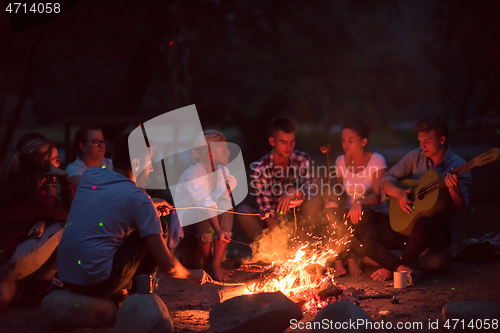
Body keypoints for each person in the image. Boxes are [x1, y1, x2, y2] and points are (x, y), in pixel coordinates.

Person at [57, 134, 210, 299]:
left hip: (67, 276)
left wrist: (150, 204)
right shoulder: (139, 199)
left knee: (145, 225)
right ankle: (141, 294)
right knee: (160, 228)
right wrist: (192, 274)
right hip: (96, 283)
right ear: (136, 164)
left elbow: (113, 201)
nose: (152, 168)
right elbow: (169, 267)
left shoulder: (91, 175)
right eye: (150, 162)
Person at [355, 117, 472, 282]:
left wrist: (454, 188)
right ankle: (399, 267)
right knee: (362, 221)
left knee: (426, 223)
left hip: (435, 230)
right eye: (420, 141)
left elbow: (460, 208)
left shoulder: (458, 165)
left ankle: (393, 267)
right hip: (407, 225)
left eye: (427, 141)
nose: (422, 146)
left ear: (442, 139)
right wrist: (398, 193)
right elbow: (386, 179)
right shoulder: (415, 157)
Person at [0, 138, 75, 307]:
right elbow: (68, 212)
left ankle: (26, 286)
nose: (59, 163)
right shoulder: (29, 190)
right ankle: (40, 283)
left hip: (5, 256)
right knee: (70, 226)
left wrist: (42, 220)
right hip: (7, 261)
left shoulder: (17, 183)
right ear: (44, 166)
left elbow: (47, 211)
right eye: (56, 160)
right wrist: (63, 177)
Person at [236, 118, 322, 242]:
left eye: (292, 142)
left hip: (299, 218)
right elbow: (266, 209)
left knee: (314, 201)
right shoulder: (260, 168)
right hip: (273, 221)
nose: (289, 147)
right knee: (242, 211)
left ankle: (303, 245)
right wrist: (281, 243)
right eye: (283, 142)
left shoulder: (302, 159)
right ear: (272, 141)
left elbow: (313, 188)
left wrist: (296, 192)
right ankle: (267, 251)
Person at [171, 130, 236, 281]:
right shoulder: (192, 174)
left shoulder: (222, 171)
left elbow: (223, 201)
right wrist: (218, 230)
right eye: (223, 149)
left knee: (226, 206)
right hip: (191, 235)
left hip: (211, 230)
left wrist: (226, 191)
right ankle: (208, 263)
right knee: (201, 209)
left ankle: (215, 263)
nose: (228, 152)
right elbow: (205, 204)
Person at [331, 120, 388, 277]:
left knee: (359, 213)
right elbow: (339, 191)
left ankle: (352, 258)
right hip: (349, 212)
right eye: (343, 140)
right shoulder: (340, 161)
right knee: (330, 212)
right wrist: (332, 201)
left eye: (350, 141)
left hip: (373, 213)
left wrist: (359, 201)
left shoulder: (377, 160)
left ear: (363, 142)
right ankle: (337, 261)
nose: (345, 145)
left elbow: (378, 195)